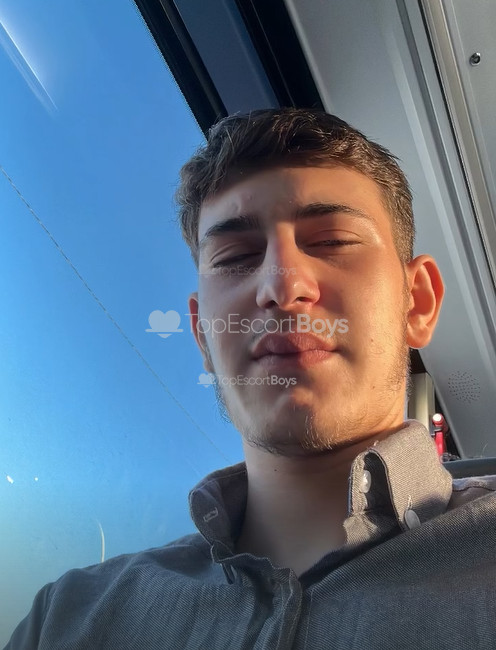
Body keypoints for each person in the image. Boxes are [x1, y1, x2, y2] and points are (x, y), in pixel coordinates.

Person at [6, 108, 496, 649]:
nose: (281, 287)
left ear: (417, 302)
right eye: (236, 257)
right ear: (203, 336)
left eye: (332, 241)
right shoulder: (67, 618)